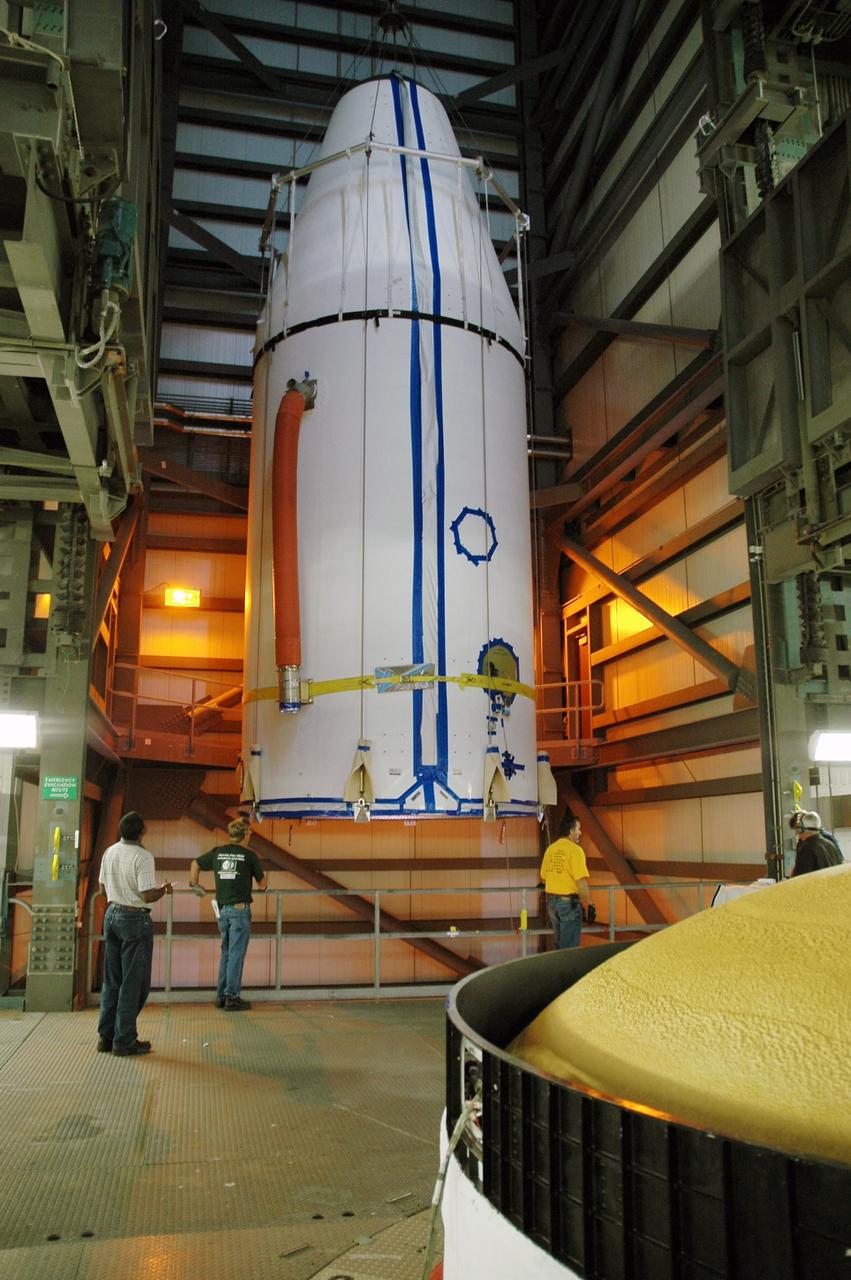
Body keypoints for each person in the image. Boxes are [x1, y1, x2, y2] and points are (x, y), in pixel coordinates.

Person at [97, 811, 172, 1056]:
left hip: (111, 915)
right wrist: (164, 890)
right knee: (134, 983)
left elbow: (101, 887)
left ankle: (105, 1037)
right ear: (141, 833)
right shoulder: (143, 857)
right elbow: (147, 895)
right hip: (134, 919)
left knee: (113, 980)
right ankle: (125, 1040)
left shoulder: (109, 851)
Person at [189, 818, 267, 1010]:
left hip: (222, 911)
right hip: (240, 911)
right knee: (236, 955)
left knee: (226, 953)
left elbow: (195, 863)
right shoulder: (250, 856)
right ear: (246, 835)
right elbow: (262, 885)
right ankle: (232, 997)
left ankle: (221, 996)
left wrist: (194, 884)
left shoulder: (218, 853)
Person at [539, 814, 593, 949]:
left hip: (552, 903)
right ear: (571, 831)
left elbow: (544, 877)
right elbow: (580, 881)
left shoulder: (551, 849)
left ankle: (559, 968)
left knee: (560, 945)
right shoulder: (575, 851)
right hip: (569, 904)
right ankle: (565, 970)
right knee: (569, 949)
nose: (580, 833)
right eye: (578, 829)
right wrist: (590, 904)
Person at [791, 811, 844, 877]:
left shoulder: (807, 848)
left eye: (797, 830)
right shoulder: (830, 844)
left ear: (800, 830)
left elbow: (800, 878)